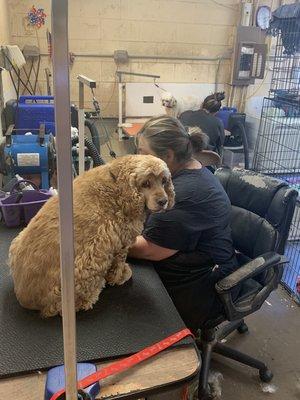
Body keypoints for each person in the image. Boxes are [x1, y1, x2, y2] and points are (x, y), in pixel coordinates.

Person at [128, 115, 238, 332]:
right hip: (194, 258)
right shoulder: (184, 171)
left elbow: (150, 250)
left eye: (143, 152)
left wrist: (101, 238)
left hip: (203, 283)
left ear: (168, 155)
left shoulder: (184, 194)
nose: (137, 158)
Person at [180, 91, 226, 156]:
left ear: (202, 104)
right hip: (206, 159)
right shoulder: (218, 122)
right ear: (217, 112)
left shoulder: (184, 115)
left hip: (182, 156)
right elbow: (220, 143)